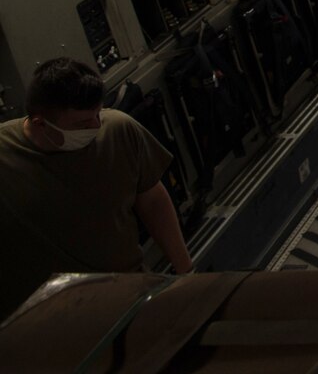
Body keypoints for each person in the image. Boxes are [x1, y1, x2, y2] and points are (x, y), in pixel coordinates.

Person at [0, 58, 192, 315]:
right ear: (40, 123)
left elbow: (152, 199)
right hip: (43, 319)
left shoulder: (118, 130)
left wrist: (187, 273)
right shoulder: (6, 156)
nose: (96, 127)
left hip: (127, 295)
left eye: (97, 115)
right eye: (82, 124)